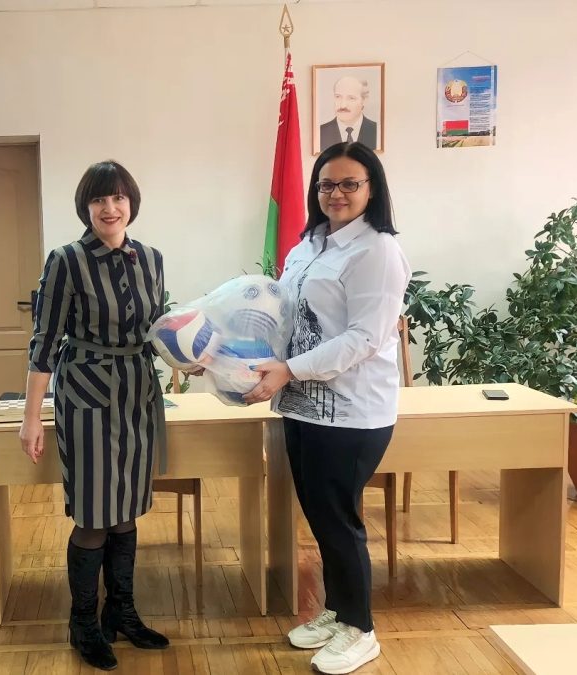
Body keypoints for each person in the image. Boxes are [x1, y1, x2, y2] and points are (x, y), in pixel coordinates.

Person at [244, 142, 411, 674]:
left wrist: (289, 370)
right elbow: (283, 315)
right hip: (302, 405)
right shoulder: (309, 244)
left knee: (339, 519)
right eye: (326, 184)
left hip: (352, 411)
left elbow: (365, 337)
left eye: (349, 184)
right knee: (320, 515)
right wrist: (228, 354)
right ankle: (338, 611)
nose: (335, 193)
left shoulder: (378, 251)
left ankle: (361, 630)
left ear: (371, 189)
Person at [20, 160, 170, 671]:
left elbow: (159, 330)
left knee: (126, 508)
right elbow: (44, 342)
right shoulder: (66, 260)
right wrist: (31, 417)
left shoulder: (151, 259)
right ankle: (83, 622)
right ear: (86, 207)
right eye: (99, 199)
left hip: (137, 392)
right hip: (85, 393)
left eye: (118, 197)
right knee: (93, 513)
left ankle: (120, 612)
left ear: (132, 203)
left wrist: (196, 355)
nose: (110, 208)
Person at [319, 76, 378, 151]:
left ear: (364, 101)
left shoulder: (375, 130)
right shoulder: (321, 132)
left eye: (351, 98)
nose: (343, 105)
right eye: (338, 97)